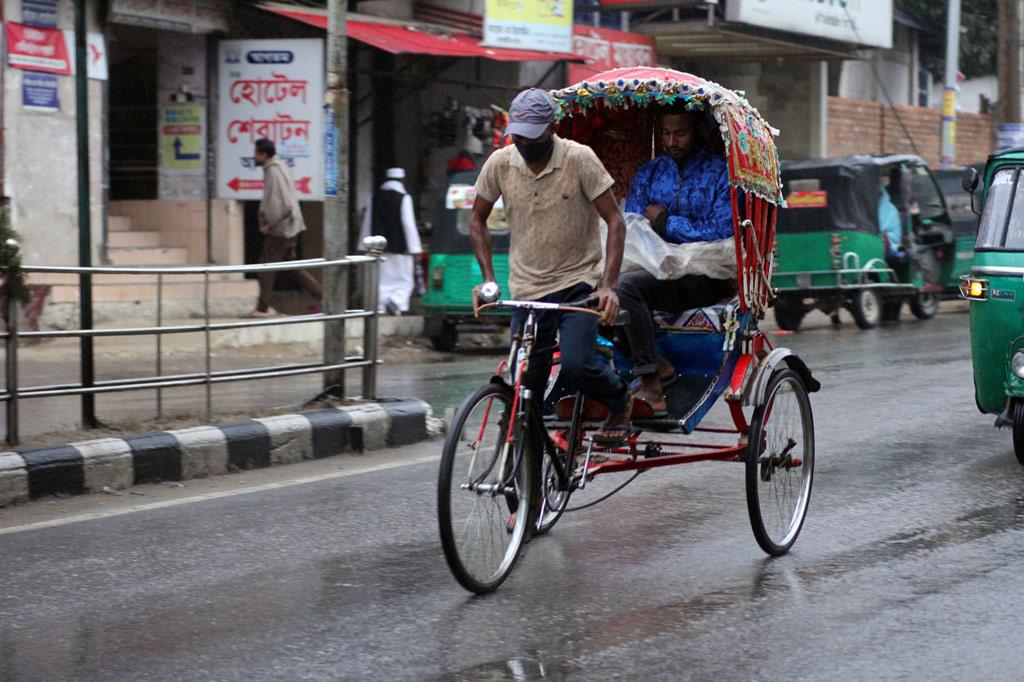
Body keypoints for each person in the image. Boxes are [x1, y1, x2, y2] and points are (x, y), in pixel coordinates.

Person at [469, 88, 633, 446]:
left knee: (576, 365)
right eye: (519, 136)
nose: (525, 144)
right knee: (525, 384)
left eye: (533, 136)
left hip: (578, 284)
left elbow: (615, 222)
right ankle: (530, 482)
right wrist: (487, 281)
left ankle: (620, 399)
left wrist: (608, 287)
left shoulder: (580, 159)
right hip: (527, 290)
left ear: (552, 128)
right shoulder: (500, 163)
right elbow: (476, 220)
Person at [618, 105, 735, 416]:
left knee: (627, 288)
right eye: (666, 133)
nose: (672, 141)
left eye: (680, 133)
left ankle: (652, 386)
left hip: (706, 276)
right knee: (594, 292)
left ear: (698, 131)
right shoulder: (650, 173)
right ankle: (655, 363)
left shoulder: (720, 174)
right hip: (656, 272)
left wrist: (667, 224)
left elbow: (722, 231)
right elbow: (633, 224)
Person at [250, 138, 322, 318]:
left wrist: (269, 225)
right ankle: (322, 296)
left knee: (265, 267)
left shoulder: (274, 171)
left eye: (256, 153)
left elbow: (279, 203)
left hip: (282, 228)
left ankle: (262, 309)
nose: (254, 156)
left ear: (263, 154)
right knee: (292, 267)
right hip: (289, 226)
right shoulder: (278, 168)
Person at [359, 168, 423, 314]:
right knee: (403, 279)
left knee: (382, 280)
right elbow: (408, 224)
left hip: (378, 247)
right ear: (402, 180)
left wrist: (363, 245)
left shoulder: (374, 197)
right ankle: (397, 303)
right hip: (400, 247)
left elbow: (367, 222)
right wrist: (415, 248)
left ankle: (381, 307)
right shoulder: (404, 197)